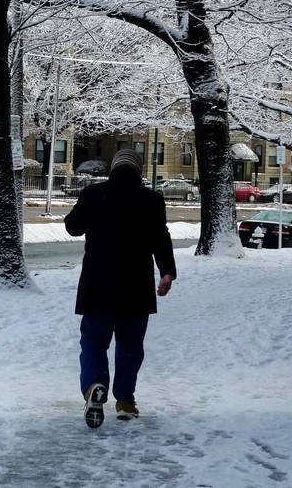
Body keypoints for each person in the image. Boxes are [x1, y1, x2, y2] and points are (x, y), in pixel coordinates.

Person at [64, 148, 177, 429]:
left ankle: (94, 386)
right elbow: (159, 238)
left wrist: (89, 212)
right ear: (139, 170)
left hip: (97, 284)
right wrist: (167, 272)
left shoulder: (94, 194)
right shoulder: (151, 199)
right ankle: (125, 400)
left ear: (113, 169)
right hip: (135, 287)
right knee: (130, 346)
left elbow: (72, 228)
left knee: (93, 341)